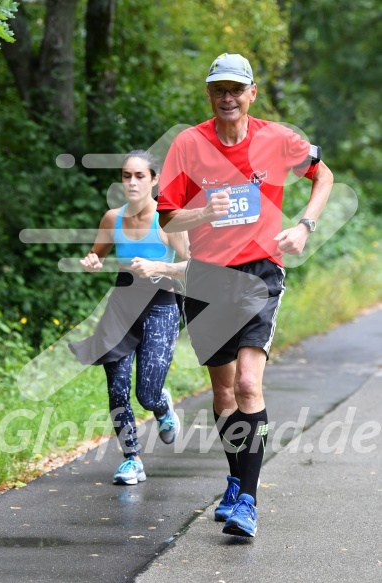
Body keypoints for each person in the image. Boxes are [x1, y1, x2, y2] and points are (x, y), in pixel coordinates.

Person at [157, 53, 333, 537]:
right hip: (208, 276)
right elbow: (168, 217)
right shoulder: (189, 145)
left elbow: (324, 175)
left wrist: (304, 226)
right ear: (209, 95)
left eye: (237, 89)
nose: (228, 98)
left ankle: (247, 503)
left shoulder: (277, 138)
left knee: (249, 385)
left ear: (252, 93)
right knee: (223, 391)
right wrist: (203, 214)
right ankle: (237, 479)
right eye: (219, 90)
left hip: (260, 271)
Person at [69, 150, 190, 486]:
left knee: (146, 394)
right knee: (117, 388)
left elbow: (194, 267)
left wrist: (160, 266)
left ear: (154, 180)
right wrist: (92, 261)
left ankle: (162, 406)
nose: (132, 182)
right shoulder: (112, 218)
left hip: (161, 304)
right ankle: (131, 459)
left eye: (140, 176)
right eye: (126, 176)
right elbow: (97, 253)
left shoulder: (168, 220)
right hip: (122, 305)